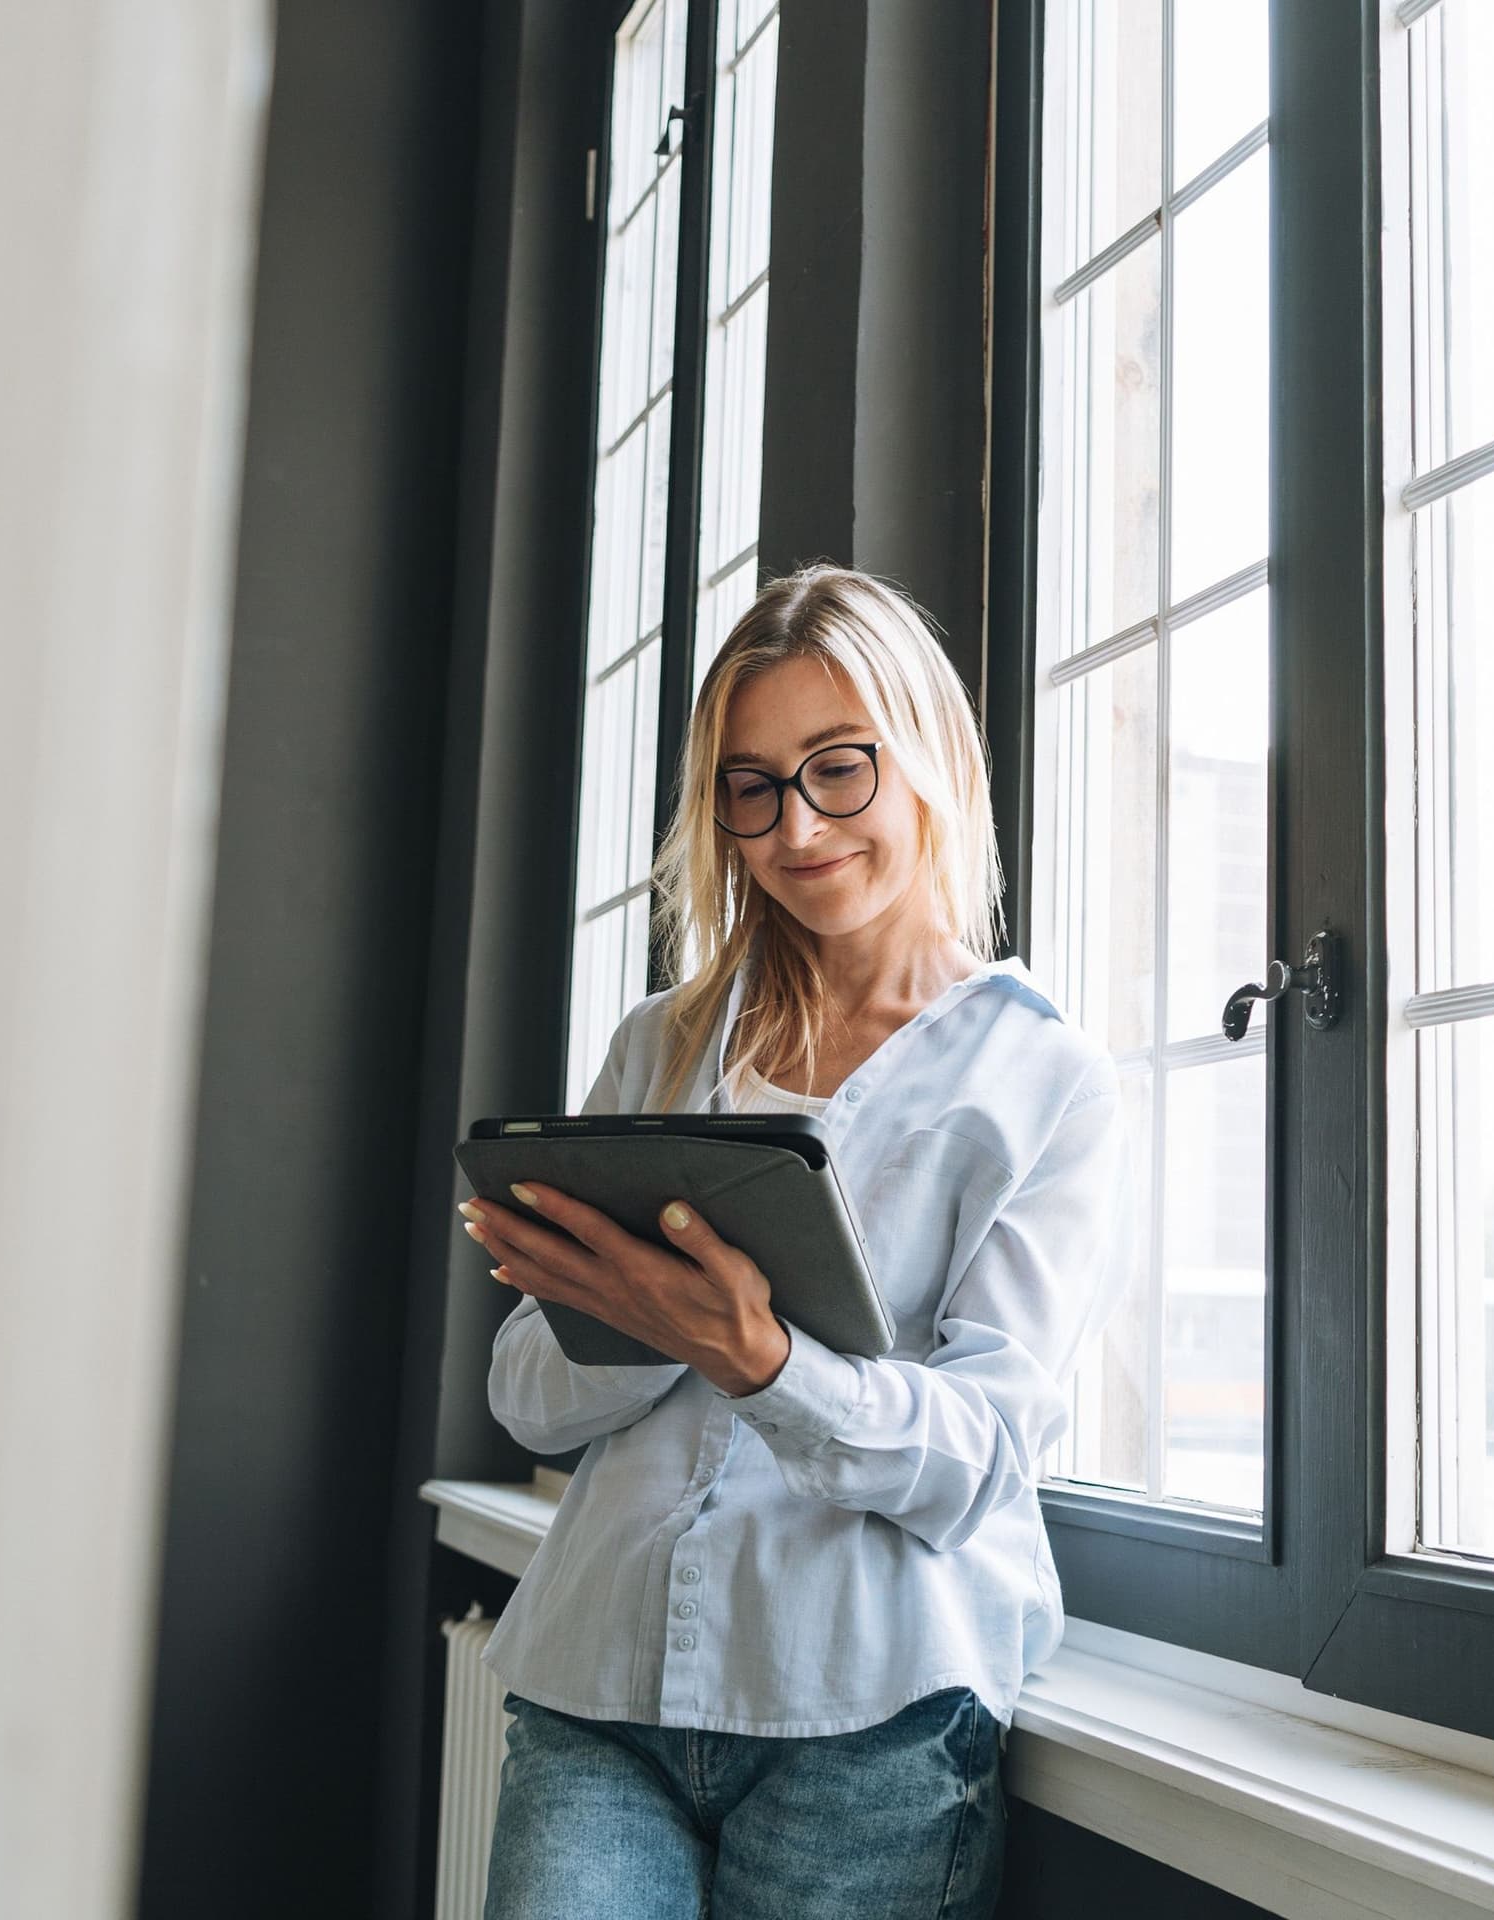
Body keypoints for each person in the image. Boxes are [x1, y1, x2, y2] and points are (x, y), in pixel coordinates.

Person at [458, 565, 1130, 1919]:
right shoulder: (661, 1042)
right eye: (751, 786)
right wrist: (654, 1323)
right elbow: (526, 1391)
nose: (797, 827)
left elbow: (980, 1460)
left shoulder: (1041, 1078)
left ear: (926, 756)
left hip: (871, 1717)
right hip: (599, 1688)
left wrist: (760, 1358)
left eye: (840, 769)